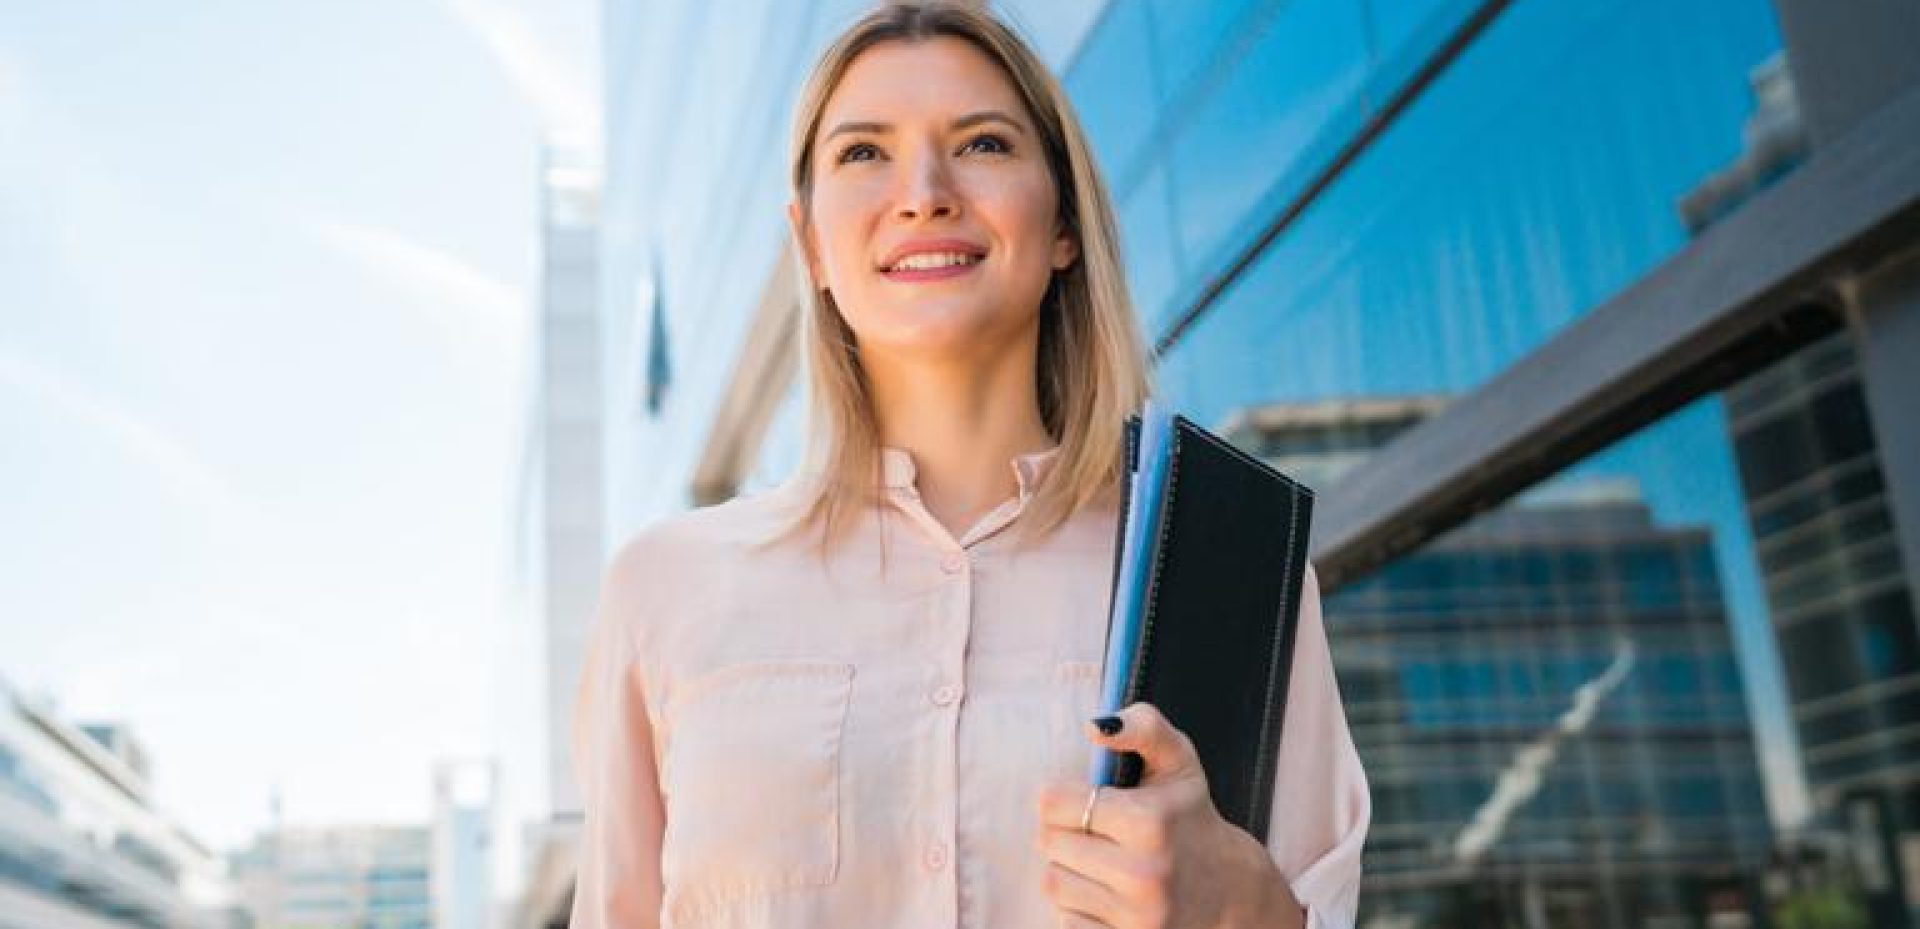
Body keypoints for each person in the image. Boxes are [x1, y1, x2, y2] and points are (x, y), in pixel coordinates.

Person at [568, 4, 1369, 927]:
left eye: (983, 143)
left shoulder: (1226, 574)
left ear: (1063, 222)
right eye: (863, 152)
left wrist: (1247, 910)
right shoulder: (663, 592)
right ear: (811, 244)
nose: (923, 192)